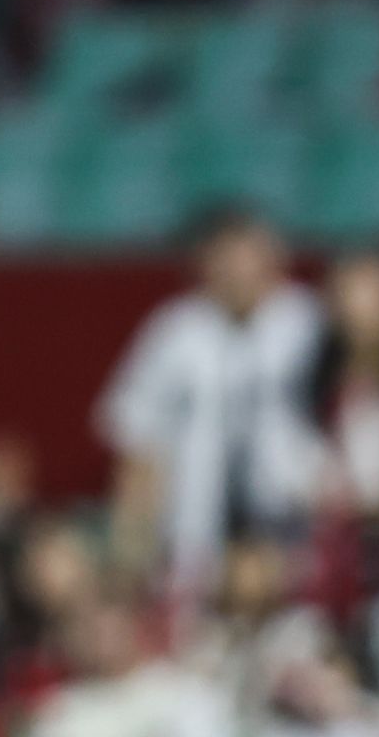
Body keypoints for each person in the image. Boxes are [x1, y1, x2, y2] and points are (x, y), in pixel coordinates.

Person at [96, 206, 324, 591]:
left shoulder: (308, 322)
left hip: (296, 535)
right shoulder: (174, 331)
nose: (237, 269)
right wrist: (131, 553)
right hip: (195, 544)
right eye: (224, 257)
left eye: (246, 254)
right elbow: (140, 445)